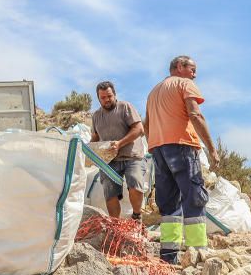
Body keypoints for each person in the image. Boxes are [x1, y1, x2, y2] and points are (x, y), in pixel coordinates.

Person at [143, 56, 220, 264]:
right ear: (179, 67)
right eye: (192, 69)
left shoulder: (153, 92)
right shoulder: (184, 84)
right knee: (194, 197)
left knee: (169, 204)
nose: (195, 74)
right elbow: (195, 115)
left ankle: (169, 255)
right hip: (182, 146)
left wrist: (154, 145)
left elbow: (146, 125)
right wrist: (212, 149)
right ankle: (197, 251)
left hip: (158, 149)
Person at [90, 81, 147, 221]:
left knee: (135, 183)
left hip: (131, 156)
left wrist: (120, 143)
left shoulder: (125, 107)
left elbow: (139, 129)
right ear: (99, 99)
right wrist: (88, 151)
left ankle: (137, 216)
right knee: (110, 193)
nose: (106, 100)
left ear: (114, 94)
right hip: (109, 161)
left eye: (109, 96)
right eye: (102, 98)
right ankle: (115, 225)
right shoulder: (96, 116)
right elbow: (95, 137)